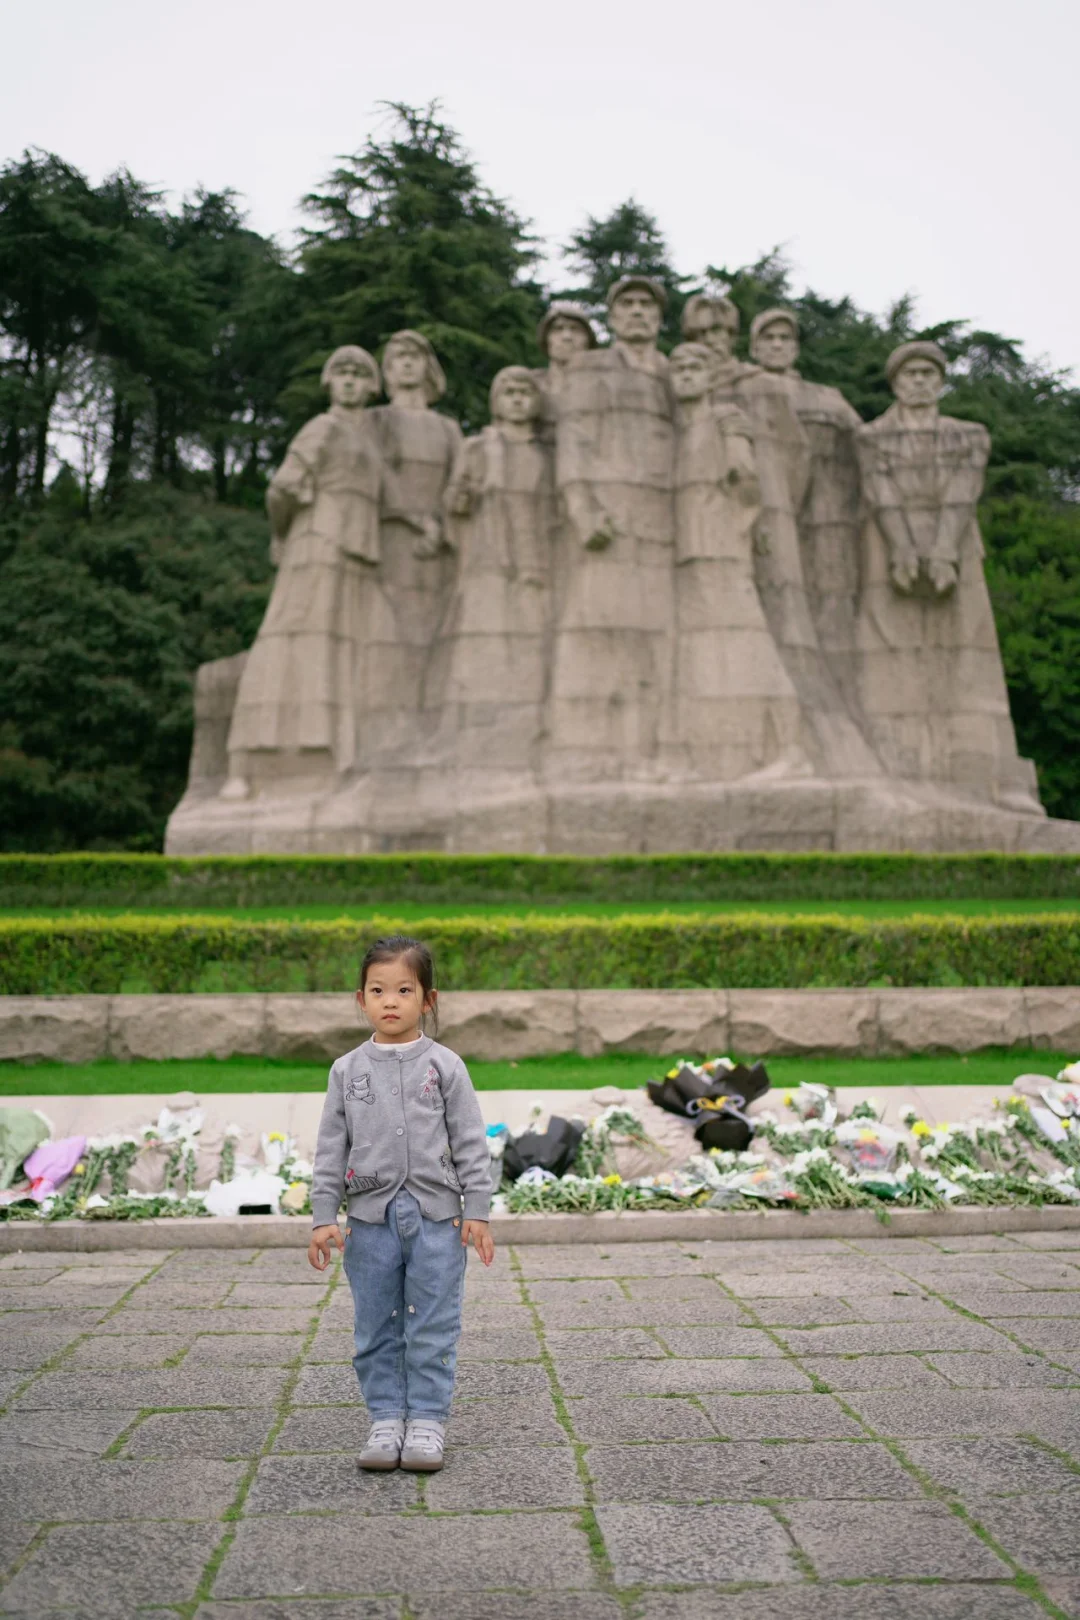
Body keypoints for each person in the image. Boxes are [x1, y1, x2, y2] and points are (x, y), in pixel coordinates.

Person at [307, 934, 494, 1474]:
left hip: (438, 1220)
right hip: (369, 1222)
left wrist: (477, 1210)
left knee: (434, 1323)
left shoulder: (446, 1066)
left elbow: (471, 1142)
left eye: (404, 990)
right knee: (375, 1323)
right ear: (361, 999)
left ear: (428, 1000)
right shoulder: (346, 1070)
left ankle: (428, 1419)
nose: (390, 1001)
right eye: (378, 990)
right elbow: (330, 1149)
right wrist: (324, 1217)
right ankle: (386, 1417)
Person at [221, 345, 385, 801]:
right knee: (290, 640)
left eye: (359, 373)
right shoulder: (323, 426)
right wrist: (281, 535)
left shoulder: (366, 439)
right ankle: (246, 763)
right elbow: (282, 487)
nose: (350, 380)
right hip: (318, 543)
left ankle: (333, 753)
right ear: (329, 383)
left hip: (355, 552)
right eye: (342, 372)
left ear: (372, 386)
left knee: (337, 650)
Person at [549, 275, 677, 779]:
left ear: (660, 316)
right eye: (628, 304)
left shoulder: (675, 371)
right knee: (598, 631)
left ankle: (651, 748)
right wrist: (582, 507)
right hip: (608, 520)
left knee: (659, 640)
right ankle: (585, 751)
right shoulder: (589, 367)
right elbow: (573, 439)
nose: (638, 311)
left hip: (665, 520)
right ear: (613, 316)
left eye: (647, 304)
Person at [669, 342, 812, 780]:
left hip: (720, 547)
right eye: (678, 367)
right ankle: (717, 756)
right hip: (692, 549)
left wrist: (739, 530)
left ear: (710, 376)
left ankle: (790, 751)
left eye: (695, 367)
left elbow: (746, 479)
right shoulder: (682, 428)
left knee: (752, 644)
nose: (686, 374)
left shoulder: (725, 418)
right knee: (704, 652)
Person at [424, 366, 555, 789]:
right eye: (508, 392)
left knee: (535, 646)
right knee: (482, 646)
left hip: (537, 560)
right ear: (496, 401)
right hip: (487, 559)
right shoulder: (478, 447)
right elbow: (453, 504)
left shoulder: (548, 453)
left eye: (524, 392)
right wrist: (463, 496)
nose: (517, 399)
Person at [680, 292, 759, 398]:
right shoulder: (677, 383)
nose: (709, 340)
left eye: (715, 330)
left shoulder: (755, 379)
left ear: (731, 335)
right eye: (700, 333)